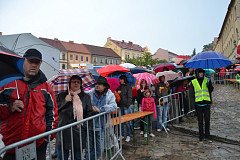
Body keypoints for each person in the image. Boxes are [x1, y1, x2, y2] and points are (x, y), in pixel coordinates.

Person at [0, 48, 58, 160]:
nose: (34, 65)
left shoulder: (46, 88)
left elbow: (53, 113)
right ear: (24, 61)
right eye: (31, 61)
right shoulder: (8, 83)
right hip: (11, 144)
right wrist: (10, 107)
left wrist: (47, 137)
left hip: (38, 144)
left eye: (37, 62)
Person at [56, 75, 95, 160]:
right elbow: (56, 110)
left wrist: (84, 126)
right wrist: (65, 101)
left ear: (81, 84)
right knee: (62, 156)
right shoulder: (61, 96)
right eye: (74, 81)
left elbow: (89, 113)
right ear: (69, 84)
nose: (76, 83)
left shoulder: (86, 97)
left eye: (78, 82)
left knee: (77, 156)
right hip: (63, 130)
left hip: (79, 131)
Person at [86, 76, 117, 159]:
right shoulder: (90, 93)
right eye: (96, 84)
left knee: (100, 148)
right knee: (89, 147)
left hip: (101, 125)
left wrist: (101, 109)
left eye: (100, 84)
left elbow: (114, 106)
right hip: (89, 124)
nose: (97, 85)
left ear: (105, 86)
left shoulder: (110, 95)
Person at [190, 68, 214, 142]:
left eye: (202, 73)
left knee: (207, 120)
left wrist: (209, 85)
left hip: (206, 103)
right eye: (200, 73)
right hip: (198, 104)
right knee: (200, 121)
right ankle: (201, 136)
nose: (201, 74)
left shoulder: (207, 80)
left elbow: (211, 90)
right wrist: (193, 106)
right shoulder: (193, 82)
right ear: (197, 73)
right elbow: (192, 95)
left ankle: (207, 136)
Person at [116, 75, 132, 142]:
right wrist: (117, 93)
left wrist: (128, 104)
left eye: (121, 79)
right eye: (120, 79)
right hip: (120, 106)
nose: (120, 81)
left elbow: (130, 96)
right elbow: (116, 96)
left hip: (126, 106)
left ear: (124, 79)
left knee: (128, 122)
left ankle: (128, 135)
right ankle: (121, 135)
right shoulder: (119, 87)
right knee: (121, 121)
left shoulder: (128, 86)